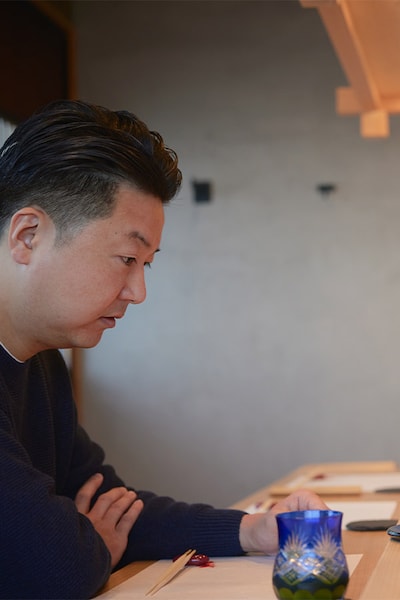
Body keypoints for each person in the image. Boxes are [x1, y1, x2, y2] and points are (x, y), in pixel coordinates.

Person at [0, 100, 327, 599]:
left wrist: (252, 530)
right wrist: (90, 546)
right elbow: (57, 569)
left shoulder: (42, 361)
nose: (137, 291)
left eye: (146, 264)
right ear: (28, 236)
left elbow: (116, 508)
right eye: (126, 258)